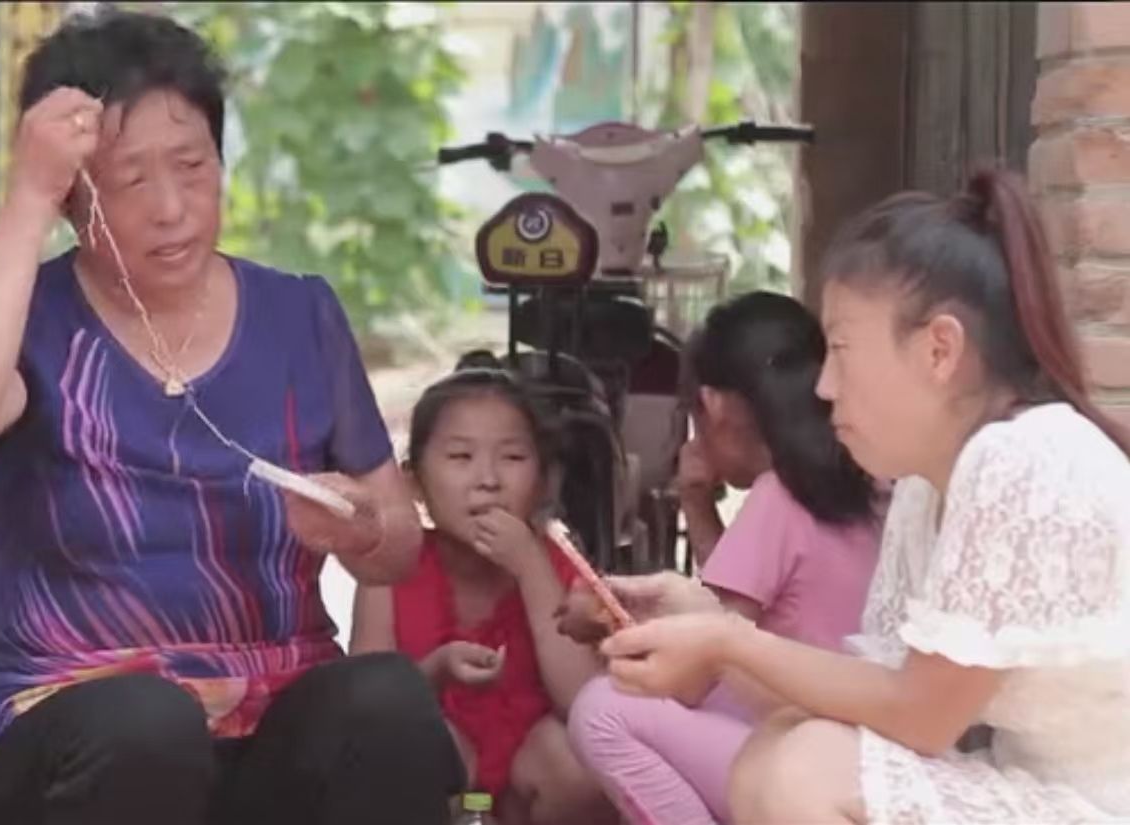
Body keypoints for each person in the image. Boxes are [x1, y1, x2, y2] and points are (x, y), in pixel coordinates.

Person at [0, 9, 458, 825]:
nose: (171, 207)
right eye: (130, 180)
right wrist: (26, 195)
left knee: (386, 699)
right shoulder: (32, 314)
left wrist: (360, 528)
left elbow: (399, 547)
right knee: (148, 722)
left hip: (270, 714)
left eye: (193, 166)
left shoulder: (299, 315)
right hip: (74, 715)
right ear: (73, 195)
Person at [590, 168, 1130, 823]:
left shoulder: (1022, 459)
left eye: (841, 349)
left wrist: (728, 642)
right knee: (785, 744)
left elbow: (923, 716)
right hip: (1041, 790)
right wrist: (702, 621)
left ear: (939, 350)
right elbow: (863, 702)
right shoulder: (924, 490)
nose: (824, 386)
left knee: (803, 766)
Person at [564, 292, 882, 825]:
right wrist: (695, 502)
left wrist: (609, 627)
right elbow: (738, 605)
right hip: (865, 734)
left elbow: (700, 667)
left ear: (712, 405)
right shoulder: (867, 480)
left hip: (810, 749)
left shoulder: (779, 497)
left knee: (602, 712)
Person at [350, 351, 615, 825]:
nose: (488, 481)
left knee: (580, 767)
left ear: (543, 482)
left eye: (513, 458)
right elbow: (365, 711)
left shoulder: (560, 563)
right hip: (441, 785)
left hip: (526, 781)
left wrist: (531, 568)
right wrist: (435, 672)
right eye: (460, 457)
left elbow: (584, 702)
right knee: (402, 753)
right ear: (414, 482)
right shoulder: (391, 568)